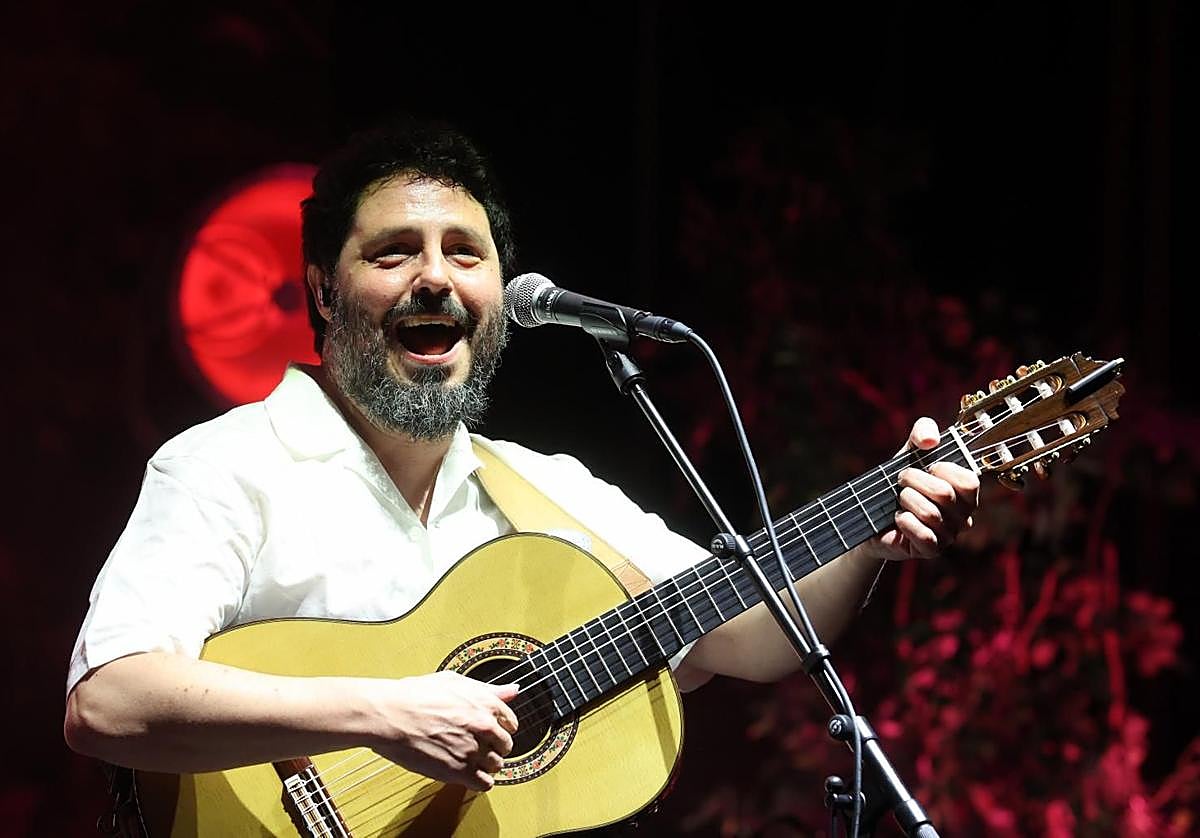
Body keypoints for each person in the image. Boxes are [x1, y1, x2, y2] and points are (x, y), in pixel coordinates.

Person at [63, 119, 979, 796]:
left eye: (466, 253)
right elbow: (108, 701)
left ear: (500, 296)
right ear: (324, 292)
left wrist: (873, 535)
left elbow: (753, 634)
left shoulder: (547, 488)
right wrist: (384, 713)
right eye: (394, 253)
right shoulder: (228, 465)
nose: (435, 276)